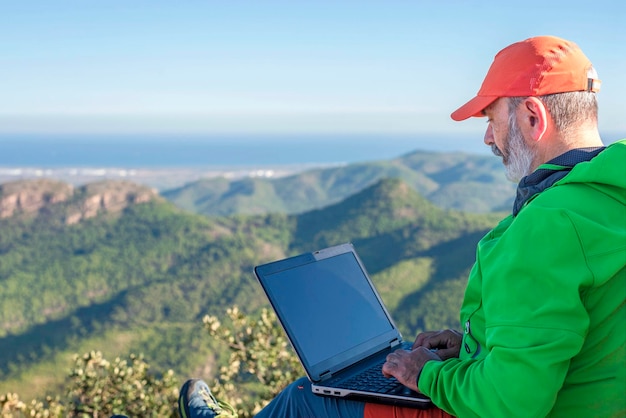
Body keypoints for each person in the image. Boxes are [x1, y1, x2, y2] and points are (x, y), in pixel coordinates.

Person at [178, 35, 626, 418]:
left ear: (533, 116)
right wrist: (473, 346)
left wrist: (424, 372)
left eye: (492, 119)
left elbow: (510, 403)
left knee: (306, 398)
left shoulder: (550, 224)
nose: (488, 137)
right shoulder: (607, 196)